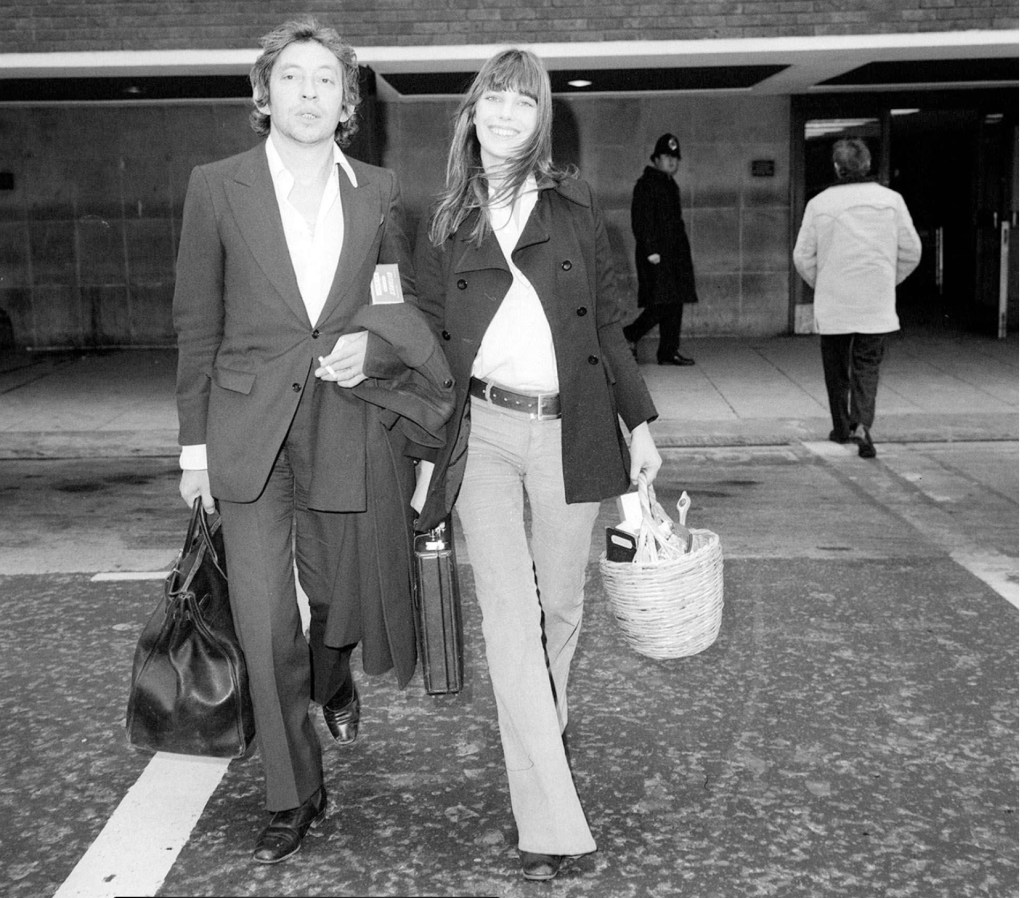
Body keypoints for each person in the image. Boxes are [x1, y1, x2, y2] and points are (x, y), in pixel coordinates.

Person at [173, 17, 452, 864]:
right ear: (265, 95)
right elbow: (196, 325)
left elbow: (404, 304)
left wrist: (378, 340)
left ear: (346, 101)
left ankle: (331, 686)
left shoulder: (378, 189)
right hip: (247, 429)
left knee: (337, 604)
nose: (307, 93)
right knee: (263, 621)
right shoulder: (217, 186)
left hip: (344, 420)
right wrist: (193, 450)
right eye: (290, 77)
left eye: (324, 80)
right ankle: (295, 790)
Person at [412, 48, 662, 882]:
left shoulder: (581, 212)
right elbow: (421, 330)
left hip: (574, 426)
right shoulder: (446, 218)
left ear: (541, 116)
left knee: (561, 607)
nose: (506, 114)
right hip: (481, 429)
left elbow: (607, 332)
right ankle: (550, 816)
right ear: (473, 111)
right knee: (508, 615)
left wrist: (642, 426)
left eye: (524, 102)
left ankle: (539, 740)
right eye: (494, 99)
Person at [792, 137, 921, 458]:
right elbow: (912, 250)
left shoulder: (819, 204)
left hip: (834, 301)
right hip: (875, 302)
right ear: (866, 165)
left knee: (835, 368)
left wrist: (822, 282)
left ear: (837, 167)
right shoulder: (891, 201)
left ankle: (841, 427)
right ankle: (862, 423)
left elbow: (802, 256)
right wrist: (887, 280)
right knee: (867, 365)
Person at [623, 133, 699, 366]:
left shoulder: (668, 184)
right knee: (660, 304)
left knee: (674, 303)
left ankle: (668, 351)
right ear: (655, 159)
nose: (672, 161)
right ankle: (628, 335)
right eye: (666, 156)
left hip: (674, 256)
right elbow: (642, 220)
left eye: (675, 157)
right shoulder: (647, 184)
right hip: (657, 256)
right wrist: (651, 250)